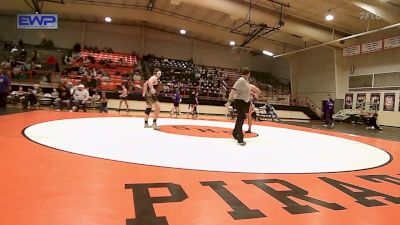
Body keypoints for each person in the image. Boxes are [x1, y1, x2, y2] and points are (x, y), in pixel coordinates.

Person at [226, 67, 252, 146]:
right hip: (240, 102)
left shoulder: (246, 81)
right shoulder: (241, 80)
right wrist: (229, 101)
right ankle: (240, 138)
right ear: (248, 73)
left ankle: (234, 133)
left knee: (241, 118)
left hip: (244, 102)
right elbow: (233, 90)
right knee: (241, 119)